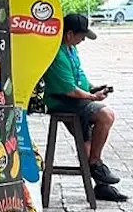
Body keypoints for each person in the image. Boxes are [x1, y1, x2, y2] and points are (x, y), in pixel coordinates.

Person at [43, 12, 127, 202]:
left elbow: (79, 78)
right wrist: (92, 96)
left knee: (87, 140)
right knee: (106, 115)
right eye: (81, 36)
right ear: (69, 34)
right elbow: (70, 89)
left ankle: (100, 184)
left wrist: (93, 88)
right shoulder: (58, 54)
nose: (83, 40)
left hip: (78, 100)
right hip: (63, 101)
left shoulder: (72, 51)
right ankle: (96, 164)